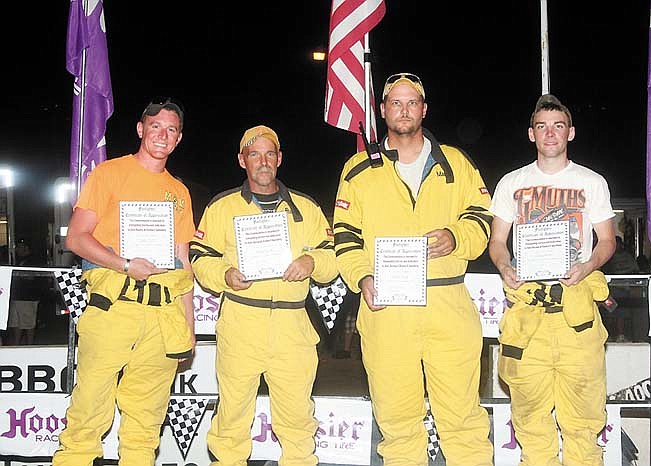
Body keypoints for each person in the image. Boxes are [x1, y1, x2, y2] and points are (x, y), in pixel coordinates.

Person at [333, 72, 494, 465]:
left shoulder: (455, 163)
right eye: (395, 103)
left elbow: (483, 216)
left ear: (423, 109)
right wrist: (362, 276)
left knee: (462, 420)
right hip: (387, 310)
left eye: (411, 102)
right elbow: (344, 235)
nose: (403, 110)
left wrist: (457, 236)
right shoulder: (358, 169)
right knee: (398, 422)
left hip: (448, 304)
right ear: (383, 110)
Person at [53, 97, 196, 466]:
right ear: (140, 130)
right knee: (88, 415)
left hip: (163, 317)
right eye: (156, 127)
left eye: (171, 130)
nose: (163, 135)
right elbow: (76, 238)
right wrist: (125, 263)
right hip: (112, 308)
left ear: (179, 139)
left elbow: (184, 265)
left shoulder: (179, 193)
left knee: (145, 426)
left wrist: (188, 328)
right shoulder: (108, 174)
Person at [189, 125, 337, 466]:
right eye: (254, 154)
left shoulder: (306, 208)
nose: (263, 161)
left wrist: (311, 261)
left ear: (279, 159)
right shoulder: (221, 207)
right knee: (232, 416)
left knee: (298, 418)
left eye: (270, 153)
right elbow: (200, 257)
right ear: (242, 160)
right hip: (242, 323)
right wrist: (224, 275)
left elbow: (332, 262)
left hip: (293, 326)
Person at [488, 94, 616, 466]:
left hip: (576, 314)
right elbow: (497, 242)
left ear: (570, 132)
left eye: (558, 125)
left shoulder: (591, 182)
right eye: (542, 126)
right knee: (530, 420)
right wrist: (505, 267)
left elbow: (607, 241)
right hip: (527, 318)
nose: (550, 133)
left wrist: (588, 266)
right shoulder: (512, 182)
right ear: (531, 134)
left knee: (583, 420)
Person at [6, 240, 42, 345]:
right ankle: (16, 345)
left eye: (20, 247)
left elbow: (31, 277)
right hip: (16, 296)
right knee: (16, 323)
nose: (17, 249)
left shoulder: (33, 260)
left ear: (26, 248)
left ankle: (29, 346)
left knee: (28, 324)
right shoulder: (17, 260)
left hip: (27, 297)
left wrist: (18, 274)